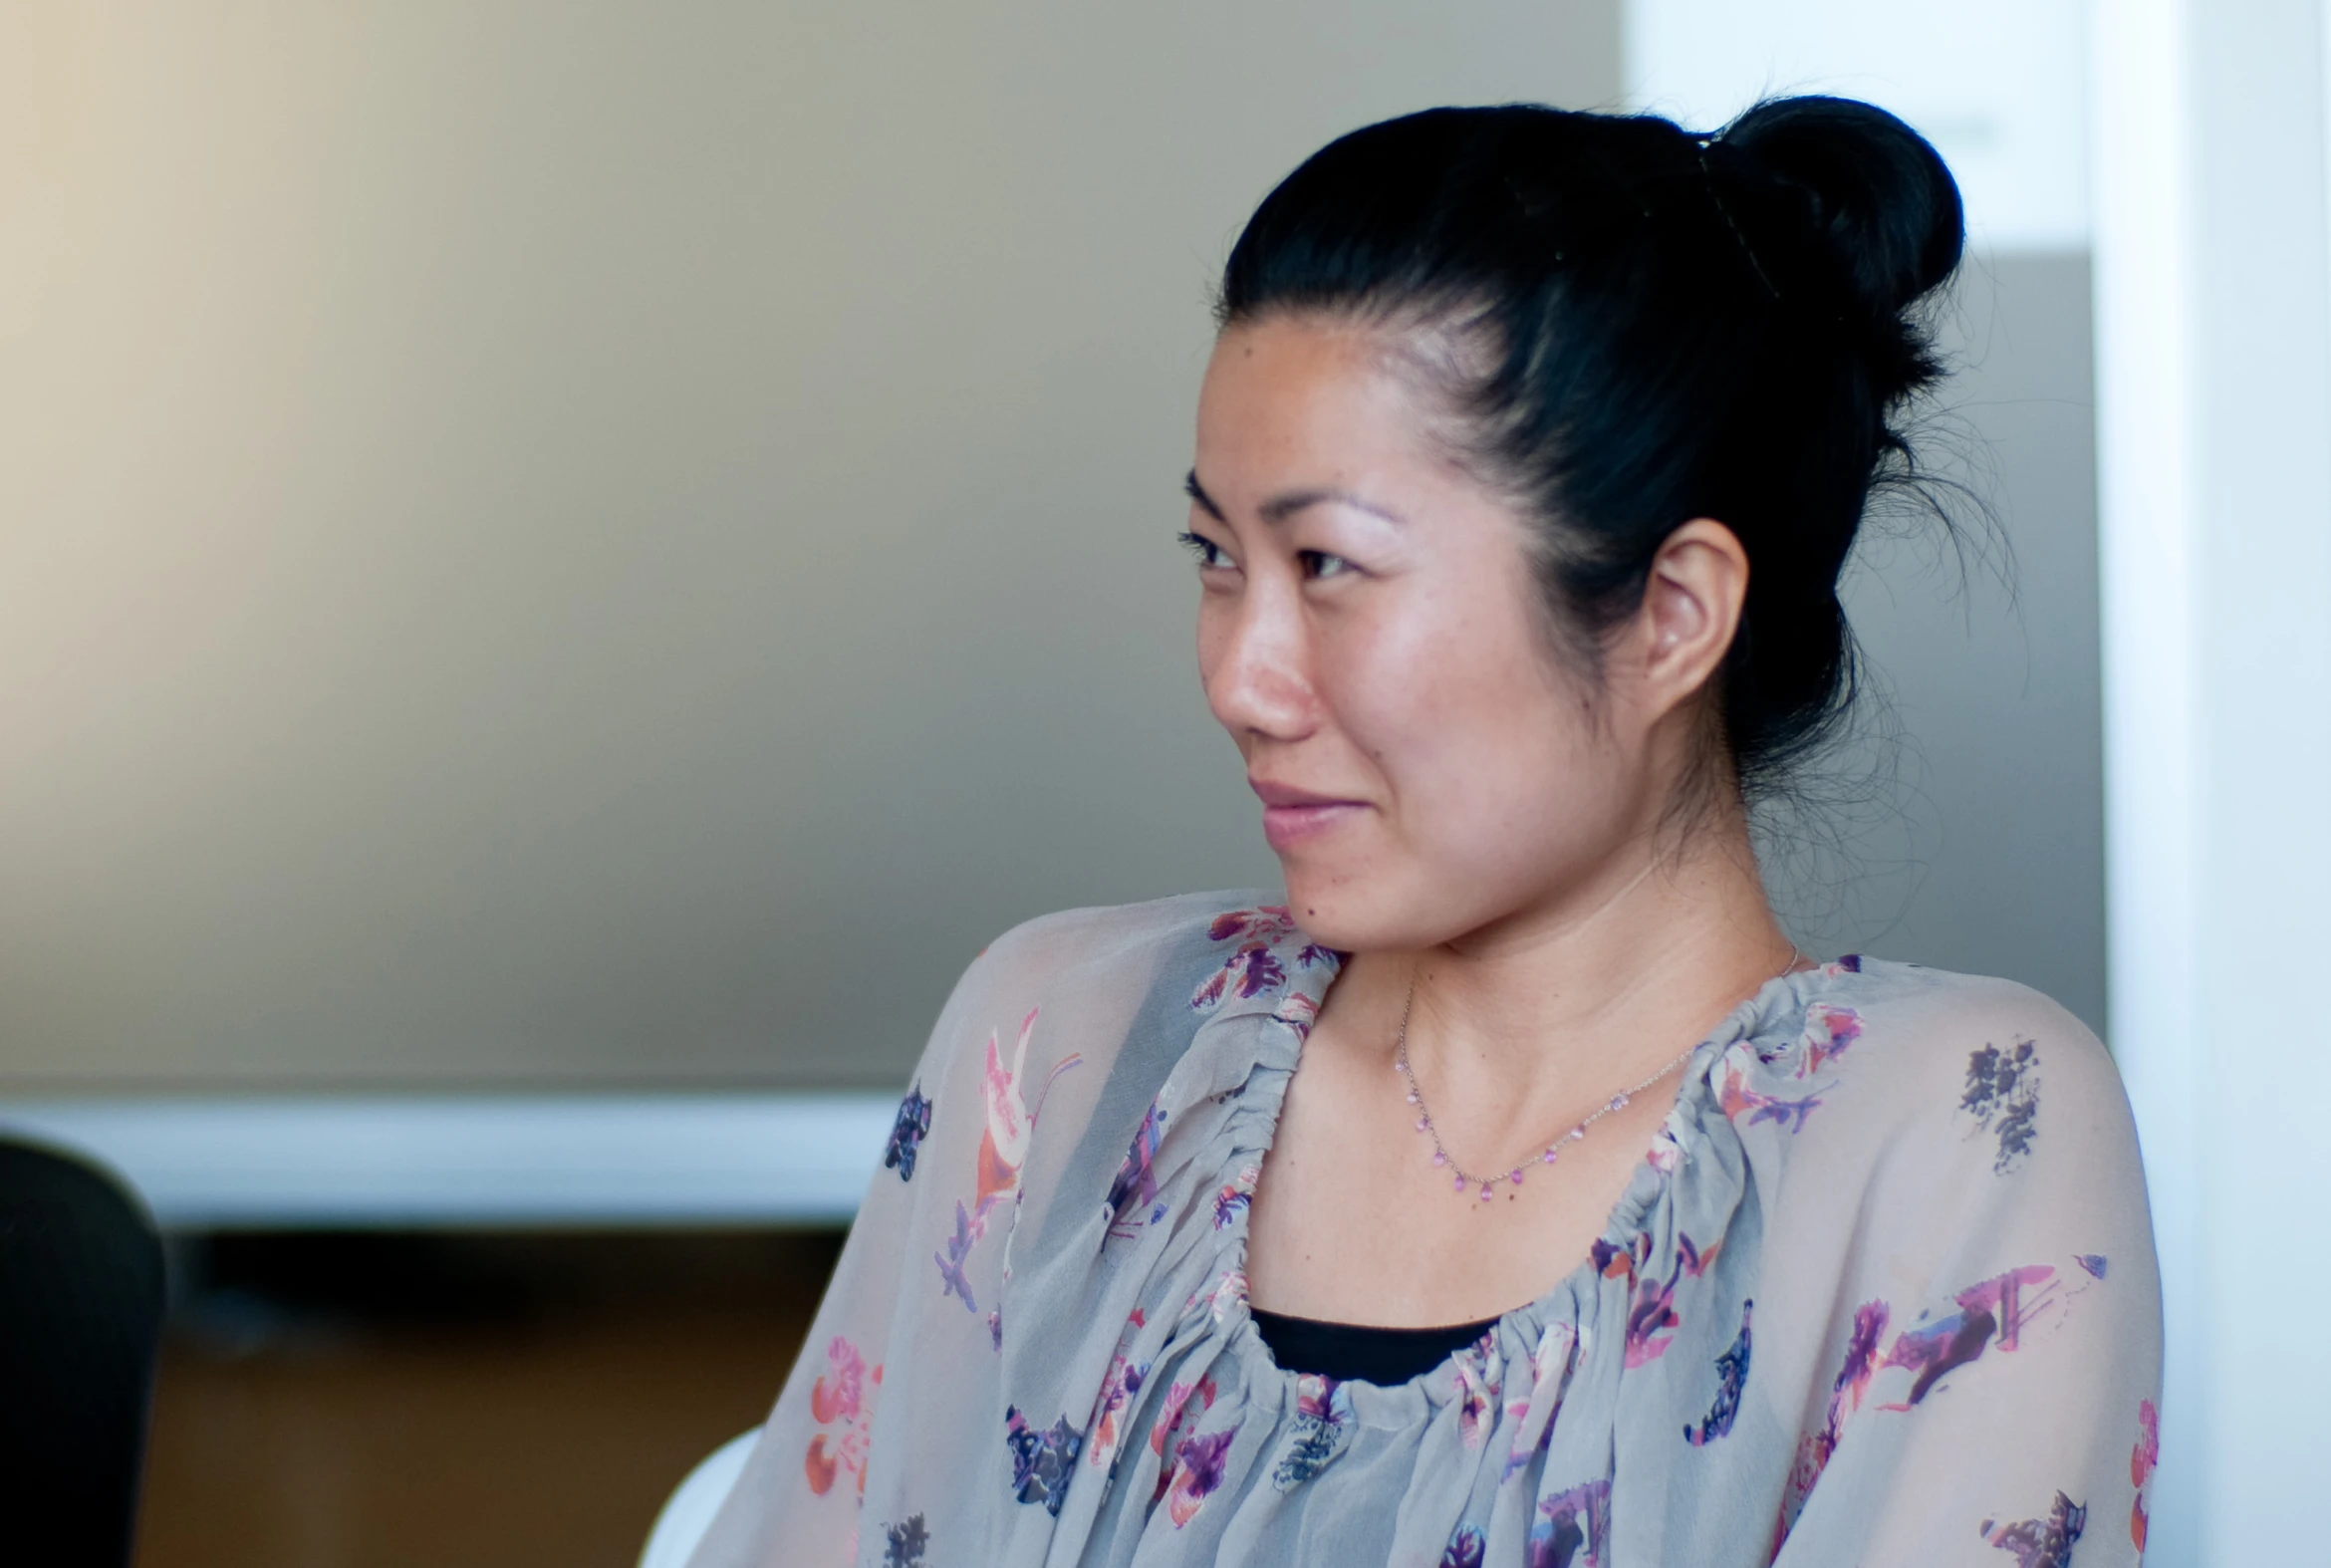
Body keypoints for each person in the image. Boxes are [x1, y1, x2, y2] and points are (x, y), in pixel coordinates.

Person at [687, 99, 2162, 1568]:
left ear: (1670, 614)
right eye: (1217, 557)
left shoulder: (1954, 1128)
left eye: (1328, 563)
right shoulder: (1067, 1045)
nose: (1239, 677)